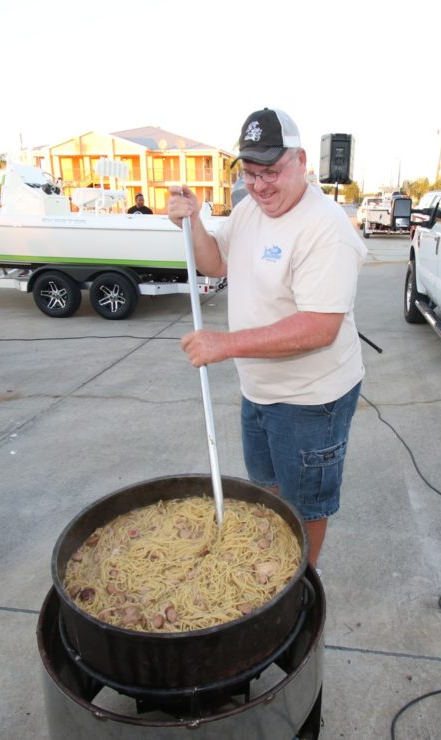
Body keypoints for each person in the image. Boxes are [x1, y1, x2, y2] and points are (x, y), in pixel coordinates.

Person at [167, 109, 367, 567]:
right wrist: (193, 222)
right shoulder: (249, 211)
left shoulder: (325, 228)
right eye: (251, 173)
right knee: (269, 488)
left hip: (311, 398)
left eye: (272, 171)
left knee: (306, 503)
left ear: (301, 161)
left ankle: (301, 582)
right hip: (259, 390)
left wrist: (227, 344)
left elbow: (320, 327)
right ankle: (277, 557)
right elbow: (216, 262)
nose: (261, 185)